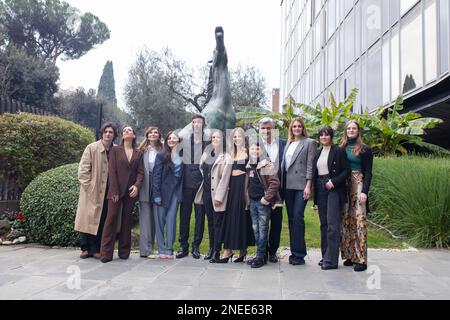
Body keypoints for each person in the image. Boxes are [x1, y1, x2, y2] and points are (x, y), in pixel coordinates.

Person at [100, 126, 144, 263]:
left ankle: (124, 252)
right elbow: (111, 171)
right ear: (122, 136)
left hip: (130, 192)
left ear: (134, 135)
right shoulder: (115, 150)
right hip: (115, 191)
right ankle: (106, 253)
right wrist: (113, 191)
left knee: (127, 221)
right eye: (124, 131)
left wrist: (137, 186)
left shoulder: (139, 153)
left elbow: (141, 172)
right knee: (111, 219)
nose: (126, 132)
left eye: (129, 130)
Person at [75, 123, 117, 259]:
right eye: (106, 131)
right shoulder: (92, 148)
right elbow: (83, 170)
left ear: (114, 135)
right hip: (91, 191)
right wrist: (89, 187)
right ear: (102, 133)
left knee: (102, 219)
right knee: (87, 218)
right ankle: (85, 248)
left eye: (111, 132)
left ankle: (96, 248)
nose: (108, 134)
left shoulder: (116, 150)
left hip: (108, 191)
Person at [312, 126, 351, 270]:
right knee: (324, 225)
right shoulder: (318, 153)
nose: (323, 137)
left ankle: (332, 261)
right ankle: (325, 256)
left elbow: (347, 170)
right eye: (321, 135)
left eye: (326, 135)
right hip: (321, 187)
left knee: (333, 225)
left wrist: (333, 182)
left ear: (331, 137)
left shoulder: (338, 151)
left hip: (333, 188)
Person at [281, 118, 317, 266]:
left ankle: (300, 254)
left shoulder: (309, 143)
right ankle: (294, 252)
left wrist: (309, 185)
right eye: (294, 126)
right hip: (287, 186)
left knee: (297, 217)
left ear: (303, 128)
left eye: (299, 126)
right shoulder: (288, 143)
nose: (296, 128)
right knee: (290, 219)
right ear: (291, 128)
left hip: (301, 185)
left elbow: (310, 166)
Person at [340, 120, 373, 272]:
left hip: (358, 183)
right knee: (346, 219)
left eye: (354, 128)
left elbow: (368, 172)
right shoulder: (341, 148)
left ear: (358, 131)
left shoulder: (365, 149)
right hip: (343, 184)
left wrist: (365, 191)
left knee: (359, 219)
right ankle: (349, 255)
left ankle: (361, 259)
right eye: (348, 128)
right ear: (345, 131)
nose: (351, 130)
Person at [194, 130, 232, 263]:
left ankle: (217, 251)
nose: (215, 139)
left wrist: (219, 197)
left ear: (223, 140)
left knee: (217, 223)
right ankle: (211, 249)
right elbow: (202, 171)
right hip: (206, 193)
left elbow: (225, 178)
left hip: (217, 195)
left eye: (218, 137)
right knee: (210, 221)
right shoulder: (206, 155)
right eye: (213, 137)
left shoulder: (226, 157)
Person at [177, 115, 210, 259]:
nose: (197, 124)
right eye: (194, 122)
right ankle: (183, 246)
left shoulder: (208, 143)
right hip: (186, 184)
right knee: (184, 216)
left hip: (201, 184)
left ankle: (195, 246)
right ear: (192, 124)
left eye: (200, 122)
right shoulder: (184, 142)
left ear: (203, 125)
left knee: (199, 217)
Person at [246, 142, 281, 268]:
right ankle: (260, 255)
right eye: (252, 148)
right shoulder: (249, 165)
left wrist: (266, 198)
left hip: (262, 203)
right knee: (256, 229)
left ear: (262, 151)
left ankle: (260, 257)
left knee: (262, 229)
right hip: (252, 202)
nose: (255, 150)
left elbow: (275, 183)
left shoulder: (266, 164)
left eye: (257, 148)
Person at [219, 127, 249, 263]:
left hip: (243, 188)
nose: (237, 139)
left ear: (244, 138)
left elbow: (253, 171)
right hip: (232, 188)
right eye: (234, 137)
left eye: (239, 136)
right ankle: (228, 250)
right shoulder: (231, 153)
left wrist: (244, 174)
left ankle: (243, 250)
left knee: (242, 217)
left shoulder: (249, 152)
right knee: (230, 217)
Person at [258, 117, 286, 263]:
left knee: (276, 223)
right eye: (263, 128)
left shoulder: (283, 144)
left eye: (269, 128)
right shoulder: (254, 145)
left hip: (279, 190)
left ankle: (272, 251)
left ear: (273, 129)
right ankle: (261, 252)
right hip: (261, 190)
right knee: (262, 223)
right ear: (259, 129)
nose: (266, 130)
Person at [152, 131, 184, 259]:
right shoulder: (161, 155)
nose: (171, 140)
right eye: (169, 138)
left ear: (178, 141)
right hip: (162, 192)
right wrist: (156, 194)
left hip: (176, 191)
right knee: (159, 221)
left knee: (171, 220)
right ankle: (161, 249)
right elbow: (156, 175)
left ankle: (169, 249)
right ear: (166, 141)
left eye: (174, 138)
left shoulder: (183, 155)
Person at [137, 127, 163, 259]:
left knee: (155, 218)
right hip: (145, 185)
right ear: (147, 135)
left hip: (158, 185)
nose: (153, 134)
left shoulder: (163, 150)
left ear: (159, 136)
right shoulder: (141, 151)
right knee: (145, 218)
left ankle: (153, 248)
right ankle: (145, 250)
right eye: (151, 132)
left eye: (155, 132)